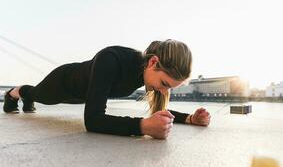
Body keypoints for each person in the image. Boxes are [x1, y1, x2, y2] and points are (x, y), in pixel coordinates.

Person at [3, 39, 210, 139]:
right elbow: (92, 121)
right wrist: (143, 127)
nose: (164, 92)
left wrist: (190, 119)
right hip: (63, 83)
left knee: (37, 96)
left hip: (83, 95)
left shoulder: (147, 74)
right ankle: (14, 93)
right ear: (153, 62)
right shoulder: (111, 59)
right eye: (165, 84)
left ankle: (25, 97)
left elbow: (158, 112)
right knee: (37, 94)